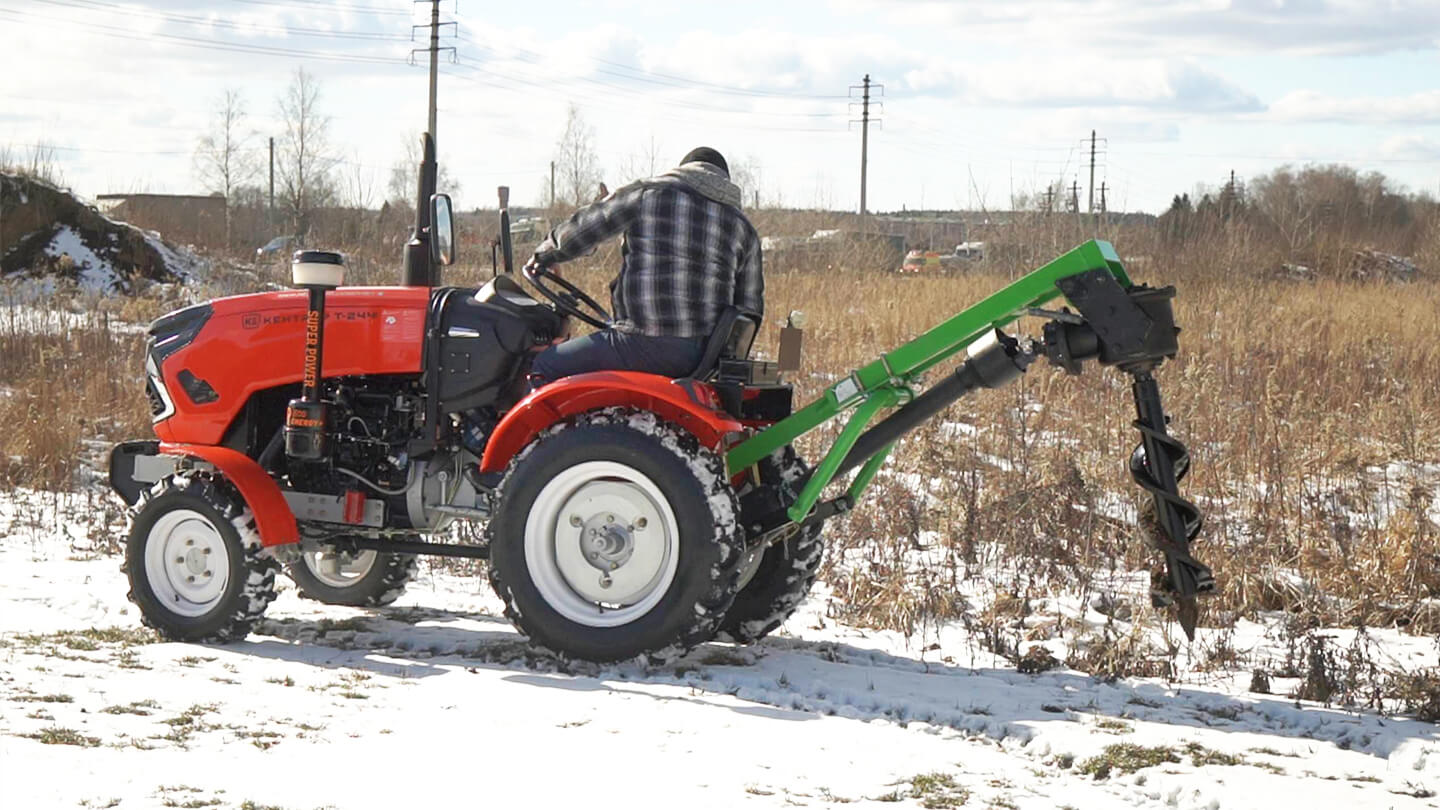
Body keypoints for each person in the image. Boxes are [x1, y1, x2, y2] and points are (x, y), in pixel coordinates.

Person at [524, 147, 763, 383]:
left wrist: (544, 255)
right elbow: (749, 310)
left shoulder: (648, 195)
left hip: (640, 345)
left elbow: (581, 232)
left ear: (683, 170)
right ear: (725, 182)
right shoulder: (745, 230)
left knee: (544, 366)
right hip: (701, 360)